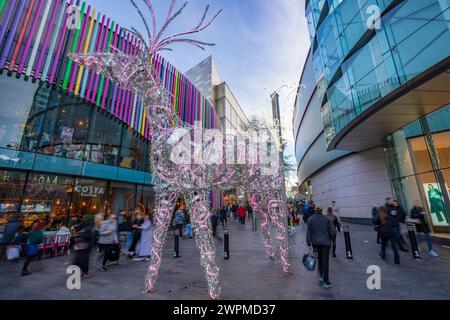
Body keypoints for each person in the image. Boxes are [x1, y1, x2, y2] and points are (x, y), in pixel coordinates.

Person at [306, 205, 336, 289]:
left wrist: (309, 243)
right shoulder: (327, 219)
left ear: (315, 210)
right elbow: (333, 231)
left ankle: (321, 275)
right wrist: (332, 239)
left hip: (315, 243)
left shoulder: (310, 219)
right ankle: (326, 281)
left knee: (319, 258)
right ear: (322, 210)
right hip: (325, 243)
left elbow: (308, 233)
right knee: (325, 261)